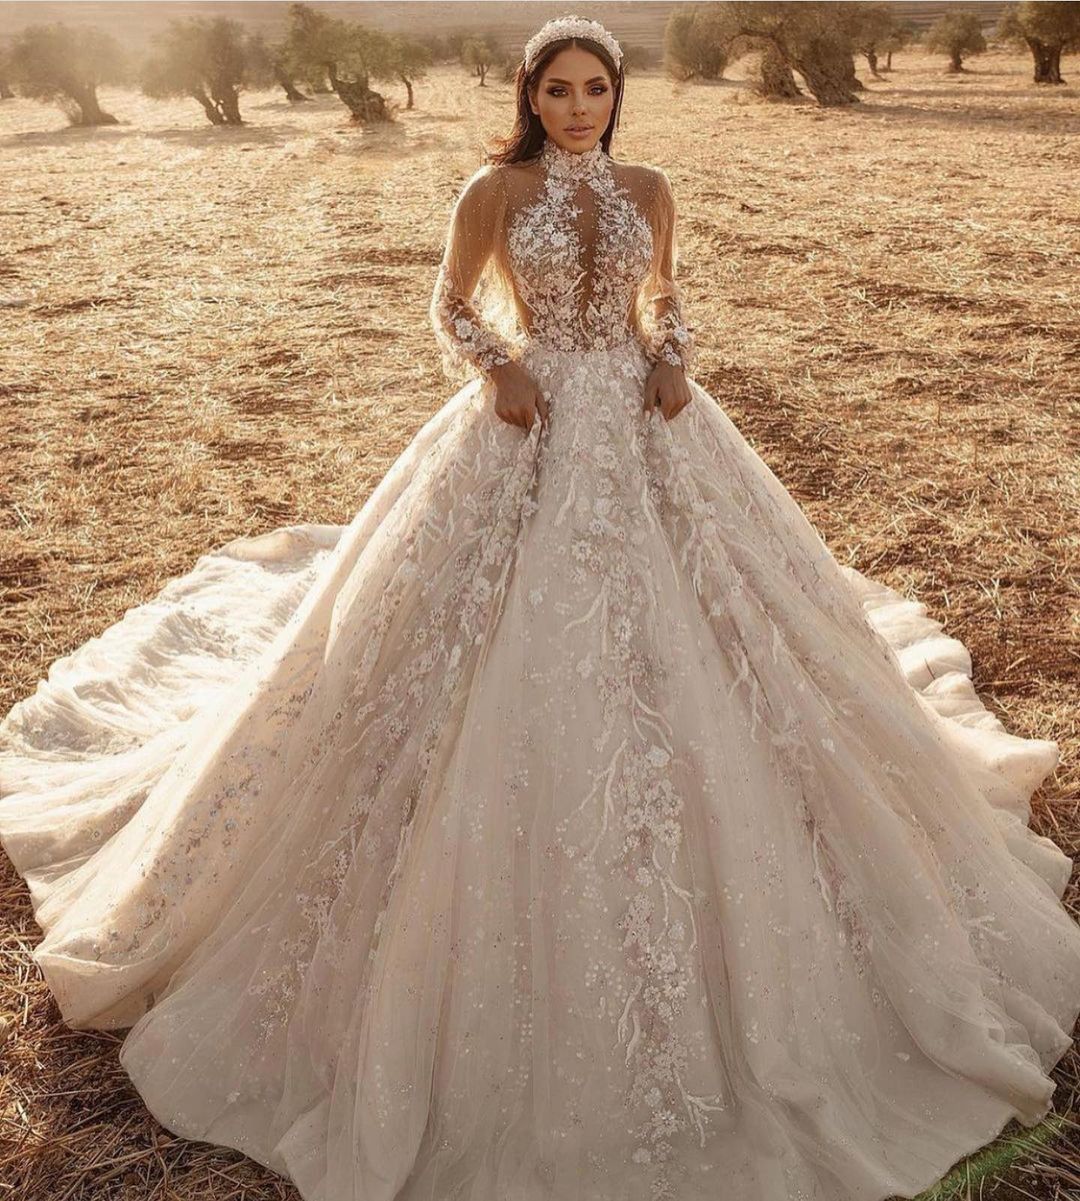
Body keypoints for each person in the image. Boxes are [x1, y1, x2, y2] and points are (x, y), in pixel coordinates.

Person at [1, 14, 1078, 1201]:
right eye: (558, 90)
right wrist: (500, 368)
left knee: (727, 637)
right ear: (531, 94)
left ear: (619, 94)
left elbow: (670, 301)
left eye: (595, 88)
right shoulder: (491, 189)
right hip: (525, 425)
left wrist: (673, 361)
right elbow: (451, 307)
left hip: (651, 424)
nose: (578, 107)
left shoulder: (654, 186)